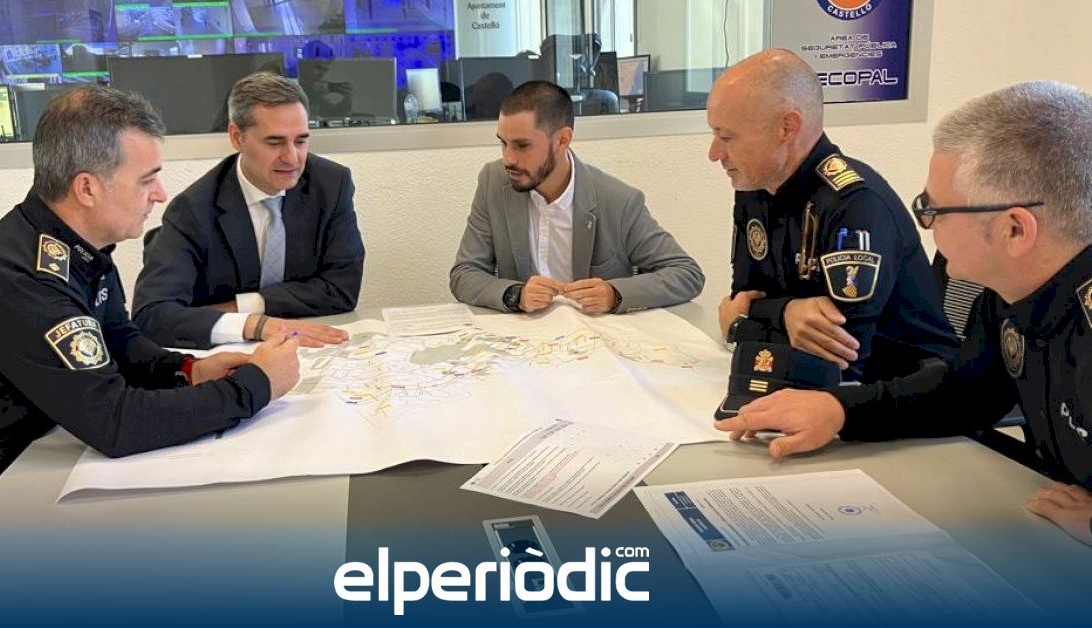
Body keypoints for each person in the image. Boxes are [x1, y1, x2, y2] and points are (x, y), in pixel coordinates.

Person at [0, 86, 302, 527]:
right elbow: (116, 423)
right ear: (87, 188)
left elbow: (117, 339)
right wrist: (256, 386)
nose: (160, 194)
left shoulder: (71, 244)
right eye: (146, 180)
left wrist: (187, 370)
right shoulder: (23, 281)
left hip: (25, 461)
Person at [716, 80, 1092, 547]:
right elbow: (966, 393)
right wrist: (839, 410)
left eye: (934, 210)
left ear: (1015, 230)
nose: (925, 226)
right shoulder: (1010, 295)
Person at [710, 49, 957, 381]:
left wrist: (741, 327)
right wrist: (786, 312)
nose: (714, 153)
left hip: (904, 390)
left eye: (727, 137)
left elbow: (838, 362)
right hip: (817, 387)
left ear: (787, 128)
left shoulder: (855, 204)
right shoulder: (755, 187)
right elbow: (744, 296)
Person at [133, 72, 363, 349]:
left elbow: (342, 289)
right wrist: (256, 325)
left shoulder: (331, 185)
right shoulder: (193, 209)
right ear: (237, 137)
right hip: (228, 355)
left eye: (301, 141)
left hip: (309, 348)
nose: (292, 158)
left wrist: (245, 306)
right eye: (275, 143)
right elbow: (152, 315)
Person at [450, 80, 703, 314]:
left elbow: (687, 274)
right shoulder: (493, 182)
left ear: (562, 140)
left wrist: (614, 294)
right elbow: (464, 273)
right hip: (523, 339)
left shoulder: (618, 200)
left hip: (595, 339)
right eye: (503, 143)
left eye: (522, 145)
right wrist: (516, 294)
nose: (508, 159)